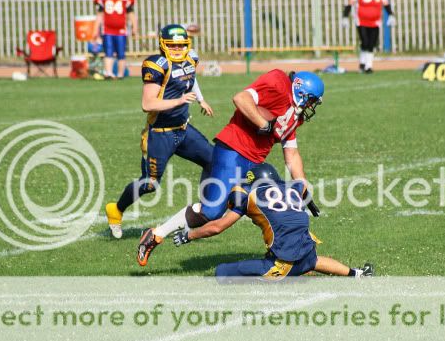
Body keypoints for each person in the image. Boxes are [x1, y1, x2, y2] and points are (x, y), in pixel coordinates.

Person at [137, 69, 325, 267]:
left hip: (256, 162)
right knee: (211, 212)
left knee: (270, 205)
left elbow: (292, 153)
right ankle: (156, 235)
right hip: (233, 152)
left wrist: (302, 185)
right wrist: (262, 123)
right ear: (300, 91)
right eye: (312, 101)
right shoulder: (279, 82)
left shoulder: (296, 116)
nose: (311, 106)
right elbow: (241, 98)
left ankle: (288, 257)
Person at [172, 163, 374, 280]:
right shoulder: (294, 187)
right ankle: (357, 273)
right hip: (306, 249)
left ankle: (285, 276)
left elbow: (217, 227)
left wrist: (188, 235)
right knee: (313, 261)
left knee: (221, 273)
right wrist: (310, 204)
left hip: (284, 262)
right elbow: (303, 189)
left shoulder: (248, 194)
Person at [105, 24, 215, 238]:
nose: (177, 49)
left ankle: (204, 213)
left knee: (213, 161)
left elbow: (190, 78)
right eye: (172, 46)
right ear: (163, 45)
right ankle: (116, 210)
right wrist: (180, 100)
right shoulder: (157, 65)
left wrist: (201, 99)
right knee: (150, 184)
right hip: (159, 134)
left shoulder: (191, 58)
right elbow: (148, 104)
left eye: (181, 45)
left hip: (183, 130)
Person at [340, 0, 396, 74]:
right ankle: (363, 64)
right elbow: (350, 2)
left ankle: (368, 66)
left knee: (371, 44)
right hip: (361, 21)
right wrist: (345, 16)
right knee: (365, 42)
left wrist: (390, 14)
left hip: (375, 22)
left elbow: (386, 3)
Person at [93, 0, 138, 79]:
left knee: (121, 54)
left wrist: (134, 27)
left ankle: (120, 75)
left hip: (121, 31)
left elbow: (130, 13)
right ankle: (108, 73)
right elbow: (99, 15)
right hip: (107, 30)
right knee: (108, 52)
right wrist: (95, 30)